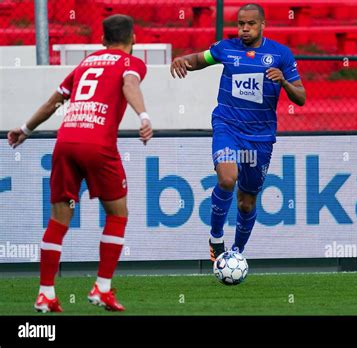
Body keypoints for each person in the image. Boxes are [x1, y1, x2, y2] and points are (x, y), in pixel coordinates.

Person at [7, 14, 153, 312]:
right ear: (133, 39)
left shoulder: (85, 63)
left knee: (59, 219)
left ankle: (45, 293)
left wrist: (24, 130)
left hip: (65, 141)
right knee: (117, 214)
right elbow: (129, 85)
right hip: (97, 144)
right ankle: (102, 288)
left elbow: (53, 103)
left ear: (102, 40)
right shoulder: (132, 63)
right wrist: (144, 116)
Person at [170, 3, 306, 261]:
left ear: (262, 25)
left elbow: (301, 97)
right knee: (226, 178)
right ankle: (216, 237)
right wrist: (183, 60)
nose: (244, 28)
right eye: (241, 24)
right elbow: (200, 59)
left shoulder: (281, 55)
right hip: (227, 126)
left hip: (260, 137)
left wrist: (284, 82)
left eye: (250, 24)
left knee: (246, 202)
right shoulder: (226, 48)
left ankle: (237, 253)